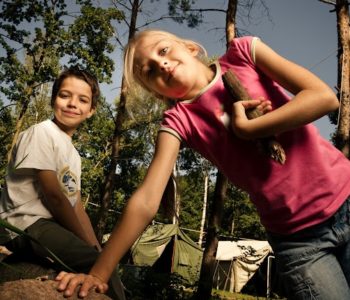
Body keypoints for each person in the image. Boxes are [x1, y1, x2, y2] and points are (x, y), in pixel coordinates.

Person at [56, 29, 350, 299]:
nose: (162, 65)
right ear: (157, 93)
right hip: (298, 242)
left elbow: (324, 98)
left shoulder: (244, 54)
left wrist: (250, 129)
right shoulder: (179, 121)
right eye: (149, 71)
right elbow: (146, 199)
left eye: (163, 51)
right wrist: (98, 273)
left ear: (191, 48)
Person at [0, 67, 125, 300]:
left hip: (49, 226)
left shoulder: (74, 155)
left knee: (104, 259)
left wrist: (96, 245)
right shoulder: (42, 133)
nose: (72, 104)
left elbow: (76, 206)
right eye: (65, 95)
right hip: (27, 222)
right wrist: (93, 252)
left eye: (82, 100)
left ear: (91, 110)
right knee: (101, 266)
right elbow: (54, 196)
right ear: (53, 99)